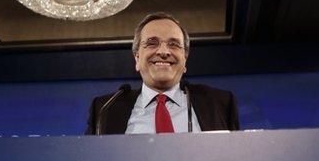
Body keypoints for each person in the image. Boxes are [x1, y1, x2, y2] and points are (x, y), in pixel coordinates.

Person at [85, 12, 239, 134]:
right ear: (137, 59)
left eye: (174, 44)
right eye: (152, 43)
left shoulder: (219, 102)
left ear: (185, 59)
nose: (164, 51)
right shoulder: (106, 108)